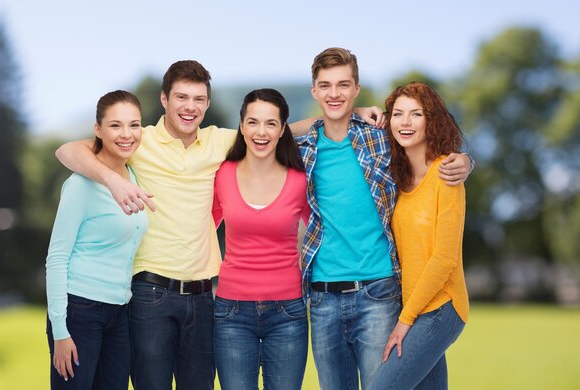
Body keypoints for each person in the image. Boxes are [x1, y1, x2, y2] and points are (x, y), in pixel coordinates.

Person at [55, 60, 384, 390]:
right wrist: (114, 181)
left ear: (208, 104)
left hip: (203, 296)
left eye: (199, 99)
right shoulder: (140, 140)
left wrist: (351, 114)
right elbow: (68, 151)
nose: (190, 107)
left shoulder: (221, 143)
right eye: (181, 97)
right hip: (149, 291)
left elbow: (283, 128)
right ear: (164, 100)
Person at [296, 48, 473, 390]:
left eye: (344, 85)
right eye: (326, 86)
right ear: (314, 91)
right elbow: (269, 132)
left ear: (357, 88)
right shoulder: (305, 149)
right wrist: (346, 113)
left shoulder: (380, 140)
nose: (335, 93)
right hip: (322, 298)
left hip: (379, 294)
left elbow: (431, 150)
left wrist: (465, 161)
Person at [46, 90, 148, 389]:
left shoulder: (134, 175)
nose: (126, 134)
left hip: (120, 312)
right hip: (80, 313)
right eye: (115, 125)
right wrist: (60, 331)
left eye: (134, 125)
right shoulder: (80, 185)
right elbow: (56, 257)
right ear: (98, 130)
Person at [370, 82, 469, 389]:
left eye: (416, 114)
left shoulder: (447, 174)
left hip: (440, 308)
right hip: (414, 306)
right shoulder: (398, 179)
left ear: (432, 120)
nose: (406, 122)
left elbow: (444, 259)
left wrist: (405, 320)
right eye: (398, 114)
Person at [211, 89, 310, 390]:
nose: (261, 132)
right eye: (253, 122)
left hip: (288, 313)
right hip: (230, 313)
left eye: (270, 124)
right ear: (241, 126)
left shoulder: (300, 180)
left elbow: (325, 233)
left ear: (283, 130)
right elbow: (200, 228)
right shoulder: (222, 174)